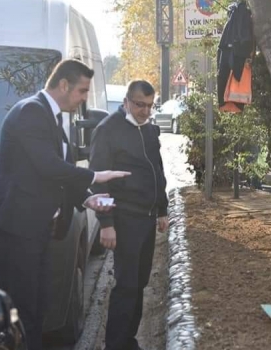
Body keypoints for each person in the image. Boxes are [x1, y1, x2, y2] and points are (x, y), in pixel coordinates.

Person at [0, 59, 130, 350]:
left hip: (35, 228)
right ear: (63, 84)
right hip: (16, 227)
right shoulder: (31, 113)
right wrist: (96, 175)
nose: (85, 98)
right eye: (82, 91)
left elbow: (59, 171)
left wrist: (87, 197)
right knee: (24, 310)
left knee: (37, 307)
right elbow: (48, 167)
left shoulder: (51, 114)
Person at [90, 80, 169, 350]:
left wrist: (162, 209)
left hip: (147, 219)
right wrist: (107, 223)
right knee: (126, 285)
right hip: (124, 219)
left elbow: (157, 171)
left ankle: (128, 340)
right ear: (126, 101)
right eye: (139, 105)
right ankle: (115, 344)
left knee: (140, 283)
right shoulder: (107, 130)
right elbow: (98, 181)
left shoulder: (149, 129)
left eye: (149, 105)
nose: (145, 111)